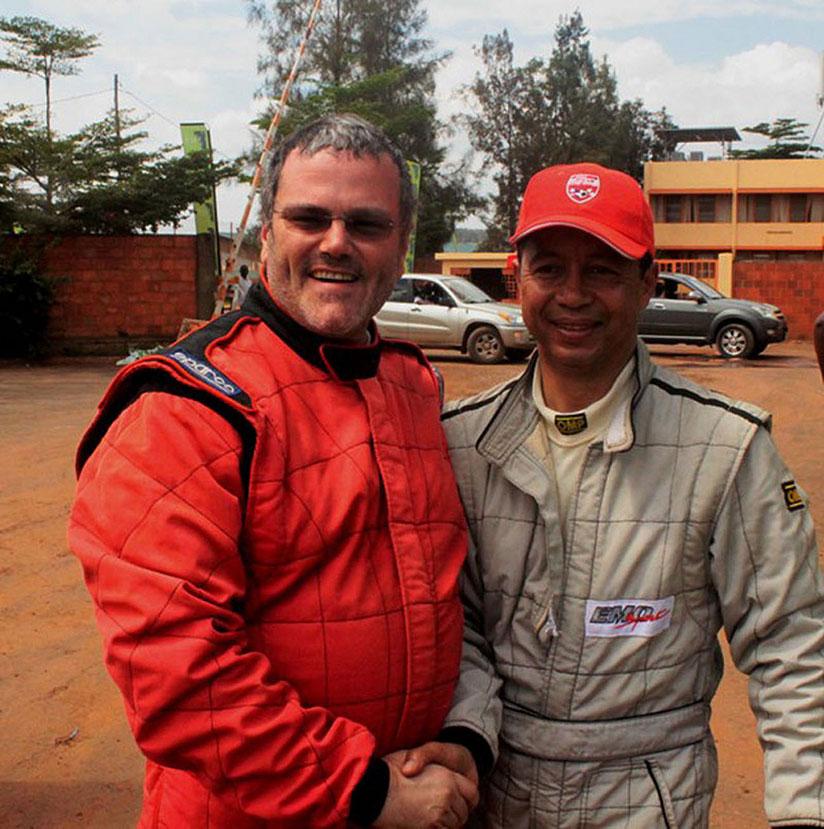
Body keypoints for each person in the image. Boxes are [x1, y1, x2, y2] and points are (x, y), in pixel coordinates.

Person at [68, 114, 479, 828]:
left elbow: (453, 599)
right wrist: (365, 793)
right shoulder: (187, 404)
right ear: (267, 235)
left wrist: (466, 737)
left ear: (401, 245)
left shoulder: (413, 387)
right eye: (309, 217)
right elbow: (175, 669)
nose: (336, 243)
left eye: (367, 223)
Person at [406, 162, 824, 827]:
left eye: (601, 270)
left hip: (648, 799)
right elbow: (458, 629)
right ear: (518, 281)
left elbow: (792, 646)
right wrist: (465, 737)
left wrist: (804, 811)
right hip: (495, 791)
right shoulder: (460, 442)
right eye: (550, 269)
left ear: (647, 281)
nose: (573, 294)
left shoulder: (725, 447)